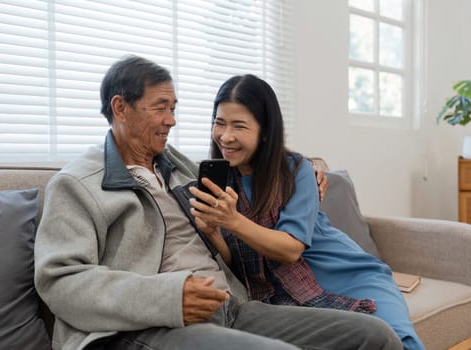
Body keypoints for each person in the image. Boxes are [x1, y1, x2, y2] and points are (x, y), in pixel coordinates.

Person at [33, 55, 404, 350]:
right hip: (149, 326)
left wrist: (308, 166)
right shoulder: (77, 185)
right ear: (120, 108)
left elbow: (262, 167)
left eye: (175, 108)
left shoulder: (182, 171)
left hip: (231, 308)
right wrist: (167, 297)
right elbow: (60, 282)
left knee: (374, 335)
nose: (172, 120)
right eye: (161, 107)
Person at [189, 74, 425, 350]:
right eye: (219, 123)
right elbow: (236, 259)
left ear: (265, 131)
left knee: (398, 342)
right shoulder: (218, 181)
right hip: (282, 294)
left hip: (350, 275)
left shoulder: (297, 171)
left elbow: (290, 249)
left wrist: (233, 220)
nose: (225, 137)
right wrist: (214, 232)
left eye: (239, 126)